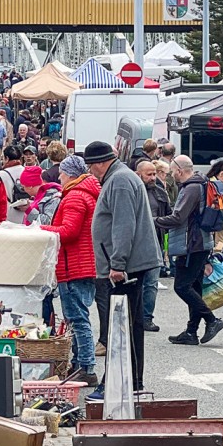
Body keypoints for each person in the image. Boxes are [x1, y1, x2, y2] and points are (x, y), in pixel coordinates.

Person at [86, 141, 160, 392]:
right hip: (129, 263)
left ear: (99, 163)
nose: (90, 172)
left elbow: (123, 225)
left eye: (90, 166)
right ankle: (130, 382)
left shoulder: (118, 181)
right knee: (130, 324)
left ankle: (118, 383)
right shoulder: (120, 178)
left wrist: (117, 263)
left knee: (122, 326)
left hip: (126, 266)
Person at [42, 154, 100, 381]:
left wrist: (41, 230)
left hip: (75, 265)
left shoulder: (75, 197)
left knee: (77, 319)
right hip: (82, 264)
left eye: (63, 174)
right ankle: (79, 364)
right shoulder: (87, 193)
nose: (60, 177)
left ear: (70, 174)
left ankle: (86, 367)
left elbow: (68, 232)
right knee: (77, 317)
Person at [163, 156, 223, 346]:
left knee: (182, 287)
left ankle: (212, 320)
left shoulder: (190, 188)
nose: (172, 175)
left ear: (179, 171)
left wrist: (153, 220)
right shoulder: (202, 183)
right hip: (202, 242)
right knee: (195, 287)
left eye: (172, 171)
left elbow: (179, 217)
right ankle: (191, 332)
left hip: (190, 244)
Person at [137, 160, 172, 333]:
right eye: (148, 174)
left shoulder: (160, 192)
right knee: (135, 282)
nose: (152, 178)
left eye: (154, 174)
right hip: (135, 243)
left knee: (151, 283)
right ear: (139, 174)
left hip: (155, 242)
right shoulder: (133, 191)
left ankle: (147, 318)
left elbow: (168, 216)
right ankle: (133, 317)